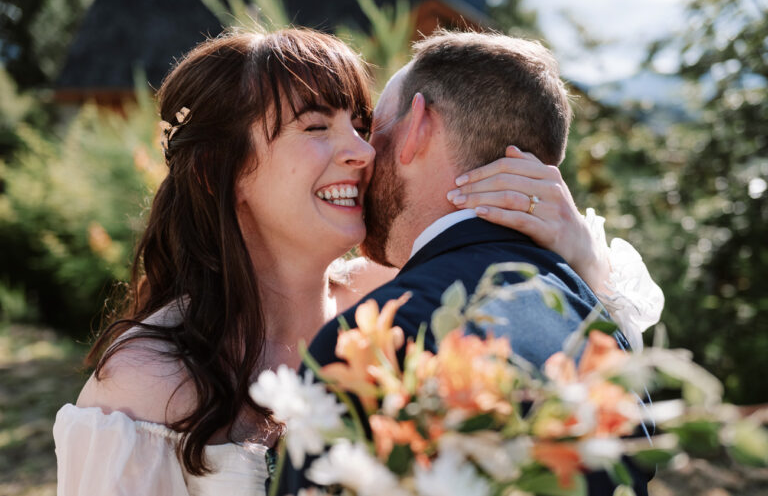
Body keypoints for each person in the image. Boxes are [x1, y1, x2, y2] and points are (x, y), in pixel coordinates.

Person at [53, 28, 660, 496]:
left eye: (363, 123)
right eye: (316, 126)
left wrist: (582, 259)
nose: (363, 151)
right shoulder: (144, 383)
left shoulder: (404, 296)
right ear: (220, 171)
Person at [285, 30, 658, 495]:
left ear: (418, 126)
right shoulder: (605, 336)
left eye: (374, 130)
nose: (362, 156)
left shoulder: (372, 345)